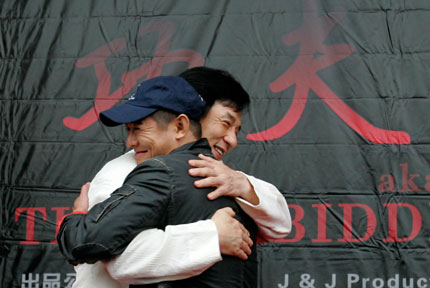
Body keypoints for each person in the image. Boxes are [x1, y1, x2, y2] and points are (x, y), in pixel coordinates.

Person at [70, 67, 292, 288]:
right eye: (225, 123)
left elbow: (280, 225)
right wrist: (212, 236)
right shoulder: (124, 172)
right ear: (186, 118)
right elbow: (120, 257)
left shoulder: (216, 173)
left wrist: (242, 185)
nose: (232, 139)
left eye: (237, 130)